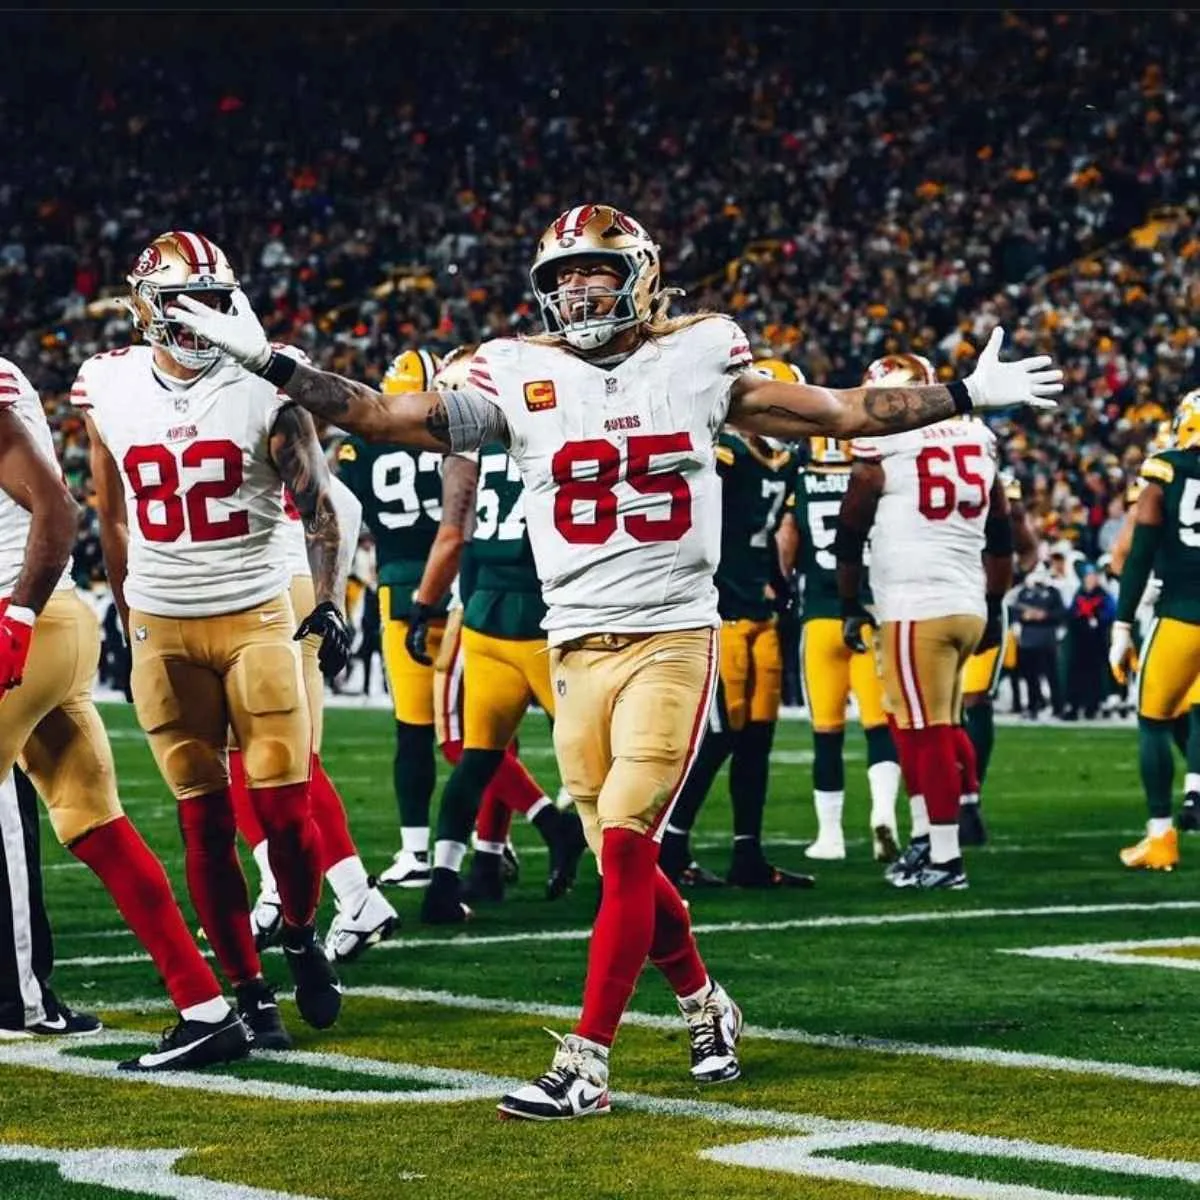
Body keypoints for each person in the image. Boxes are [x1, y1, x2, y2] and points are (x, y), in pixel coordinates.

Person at [168, 202, 1060, 1120]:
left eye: (594, 269)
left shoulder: (701, 355)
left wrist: (963, 395)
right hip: (573, 642)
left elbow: (837, 408)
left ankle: (587, 1060)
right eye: (560, 277)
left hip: (674, 635)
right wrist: (269, 361)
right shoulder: (516, 372)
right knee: (618, 862)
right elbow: (384, 416)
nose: (578, 288)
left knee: (631, 840)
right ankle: (707, 1003)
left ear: (639, 273)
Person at [79, 230, 349, 1046]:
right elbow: (113, 510)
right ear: (144, 307)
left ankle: (299, 932)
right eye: (175, 302)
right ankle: (249, 992)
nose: (192, 318)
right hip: (164, 620)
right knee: (202, 823)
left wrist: (330, 600)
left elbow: (324, 509)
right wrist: (130, 614)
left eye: (206, 300)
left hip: (258, 614)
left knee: (286, 816)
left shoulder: (266, 383)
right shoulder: (107, 383)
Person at [1, 353, 250, 1069]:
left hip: (27, 622)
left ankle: (19, 1000)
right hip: (50, 620)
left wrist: (15, 620)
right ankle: (205, 1008)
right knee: (91, 820)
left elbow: (56, 507)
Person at [406, 346, 587, 919]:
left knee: (474, 757)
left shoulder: (471, 445)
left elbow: (453, 533)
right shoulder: (558, 430)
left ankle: (443, 881)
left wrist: (423, 606)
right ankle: (633, 879)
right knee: (598, 762)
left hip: (486, 617)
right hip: (549, 615)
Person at [836, 353, 1016, 890]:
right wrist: (997, 602)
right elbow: (1003, 533)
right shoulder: (978, 437)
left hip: (919, 605)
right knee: (922, 721)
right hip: (967, 601)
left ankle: (944, 857)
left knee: (925, 730)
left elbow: (849, 533)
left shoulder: (887, 444)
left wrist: (848, 604)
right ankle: (926, 837)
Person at [228, 476, 399, 966]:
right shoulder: (272, 417)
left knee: (236, 755)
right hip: (298, 581)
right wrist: (331, 600)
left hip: (258, 587)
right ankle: (343, 895)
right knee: (298, 761)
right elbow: (344, 500)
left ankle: (305, 892)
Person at [659, 358, 815, 888]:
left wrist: (778, 580)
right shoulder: (722, 450)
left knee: (756, 737)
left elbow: (773, 532)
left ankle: (748, 852)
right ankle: (671, 845)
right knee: (718, 735)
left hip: (758, 608)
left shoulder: (786, 459)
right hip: (719, 607)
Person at [789, 358, 911, 864]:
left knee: (826, 732)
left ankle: (830, 836)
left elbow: (786, 542)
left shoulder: (799, 471)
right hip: (868, 607)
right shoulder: (878, 468)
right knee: (880, 724)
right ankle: (884, 811)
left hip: (819, 612)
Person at [335, 349, 447, 890]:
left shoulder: (362, 448)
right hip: (464, 584)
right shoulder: (462, 435)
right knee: (483, 736)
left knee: (415, 731)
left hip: (402, 587)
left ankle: (416, 851)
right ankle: (498, 842)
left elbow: (346, 517)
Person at [1111, 391, 1200, 871]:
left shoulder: (1165, 470)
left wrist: (1122, 623)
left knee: (1154, 718)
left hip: (1181, 613)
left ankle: (1160, 836)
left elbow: (1137, 550)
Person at [957, 468, 1038, 844]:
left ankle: (971, 798)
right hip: (937, 595)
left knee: (974, 698)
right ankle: (942, 800)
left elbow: (1025, 544)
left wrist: (1005, 580)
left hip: (981, 600)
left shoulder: (994, 479)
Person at [1063, 563, 1116, 720]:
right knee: (1076, 674)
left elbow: (1111, 612)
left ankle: (1092, 706)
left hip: (1096, 640)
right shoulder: (1079, 595)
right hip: (1079, 641)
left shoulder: (1103, 595)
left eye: (1093, 577)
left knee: (1094, 675)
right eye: (1089, 577)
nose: (1091, 580)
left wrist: (1098, 618)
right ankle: (1074, 705)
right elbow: (1071, 613)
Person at [1012, 572, 1066, 719]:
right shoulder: (1024, 593)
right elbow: (1014, 612)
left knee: (1052, 676)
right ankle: (1032, 707)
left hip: (1047, 639)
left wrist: (1045, 615)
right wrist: (1024, 616)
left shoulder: (1053, 593)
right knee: (1030, 677)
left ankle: (1058, 707)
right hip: (1028, 641)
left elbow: (1061, 613)